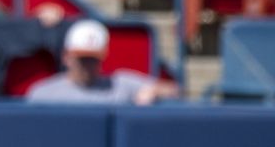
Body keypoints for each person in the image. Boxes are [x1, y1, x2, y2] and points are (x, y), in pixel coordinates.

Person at [27, 19, 180, 104]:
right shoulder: (44, 93)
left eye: (93, 59)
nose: (87, 65)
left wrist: (153, 91)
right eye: (82, 58)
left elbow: (174, 90)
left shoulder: (120, 84)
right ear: (66, 57)